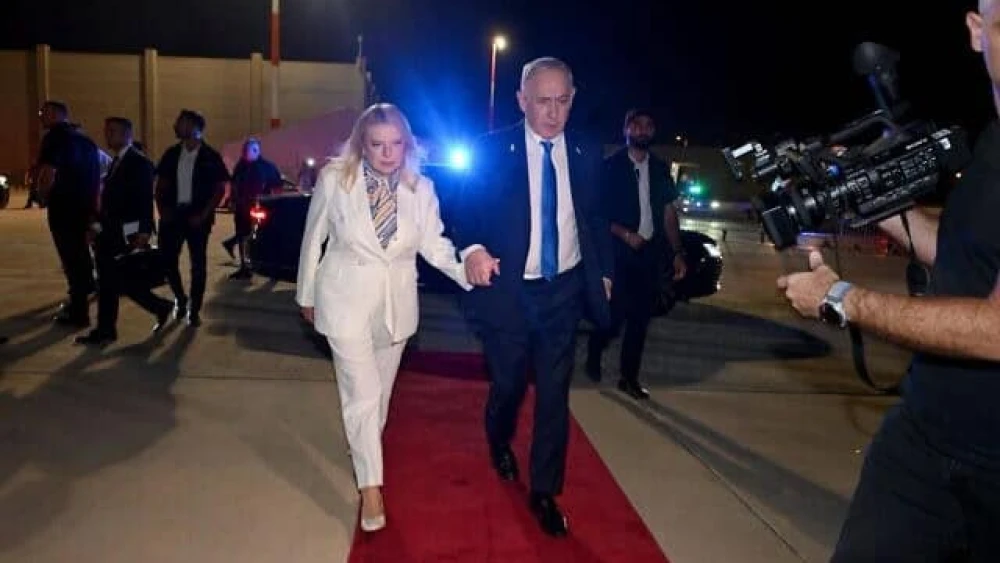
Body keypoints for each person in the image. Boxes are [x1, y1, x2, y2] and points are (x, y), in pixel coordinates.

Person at [779, 2, 1000, 559]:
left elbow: (996, 329)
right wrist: (861, 195)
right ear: (978, 33)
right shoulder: (994, 143)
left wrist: (841, 299)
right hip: (927, 436)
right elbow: (961, 250)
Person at [450, 57, 614, 537]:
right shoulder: (490, 150)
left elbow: (595, 218)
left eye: (562, 100)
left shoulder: (585, 151)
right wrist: (474, 250)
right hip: (509, 290)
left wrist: (601, 272)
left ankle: (545, 491)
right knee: (509, 385)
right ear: (521, 100)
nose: (553, 112)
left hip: (563, 290)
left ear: (573, 98)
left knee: (554, 394)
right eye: (542, 101)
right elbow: (462, 212)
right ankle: (497, 436)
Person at [295, 103, 474, 533]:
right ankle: (371, 488)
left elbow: (434, 245)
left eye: (395, 144)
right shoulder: (335, 179)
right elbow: (314, 235)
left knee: (378, 398)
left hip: (396, 307)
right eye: (377, 144)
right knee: (362, 394)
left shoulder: (421, 188)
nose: (387, 153)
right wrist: (305, 292)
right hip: (343, 298)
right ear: (362, 143)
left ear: (407, 144)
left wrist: (466, 267)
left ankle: (363, 453)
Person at [586, 108, 687, 399]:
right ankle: (596, 347)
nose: (643, 130)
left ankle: (628, 378)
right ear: (626, 130)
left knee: (641, 319)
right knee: (614, 317)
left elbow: (668, 213)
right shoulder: (610, 168)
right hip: (618, 253)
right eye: (637, 125)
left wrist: (677, 252)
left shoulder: (659, 169)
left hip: (649, 255)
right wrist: (624, 233)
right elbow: (596, 215)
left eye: (648, 125)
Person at [75, 117, 174, 346]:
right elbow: (110, 204)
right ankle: (153, 309)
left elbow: (143, 200)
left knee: (113, 280)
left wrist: (142, 231)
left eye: (113, 131)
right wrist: (96, 226)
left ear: (127, 135)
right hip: (110, 230)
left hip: (124, 231)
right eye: (107, 131)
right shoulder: (116, 162)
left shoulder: (138, 163)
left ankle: (108, 329)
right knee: (114, 281)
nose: (108, 135)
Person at [154, 110, 229, 327]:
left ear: (196, 128)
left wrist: (204, 214)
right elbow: (161, 186)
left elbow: (220, 189)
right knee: (167, 261)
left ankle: (194, 310)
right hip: (172, 215)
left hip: (198, 217)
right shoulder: (171, 154)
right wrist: (163, 211)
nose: (176, 126)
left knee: (198, 265)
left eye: (182, 123)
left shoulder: (210, 156)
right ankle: (180, 297)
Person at [34, 101, 100, 327]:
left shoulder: (55, 138)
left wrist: (42, 195)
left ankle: (79, 313)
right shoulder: (86, 140)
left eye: (43, 113)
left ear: (55, 115)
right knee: (80, 254)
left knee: (71, 258)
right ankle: (84, 293)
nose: (40, 117)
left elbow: (49, 171)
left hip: (64, 206)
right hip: (85, 206)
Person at [222, 137, 283, 280]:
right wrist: (232, 200)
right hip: (242, 208)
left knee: (264, 237)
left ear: (256, 151)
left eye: (246, 150)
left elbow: (277, 187)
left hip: (261, 209)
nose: (244, 153)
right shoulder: (240, 166)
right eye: (243, 150)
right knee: (242, 236)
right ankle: (245, 267)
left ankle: (270, 267)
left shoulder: (267, 167)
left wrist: (271, 203)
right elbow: (234, 184)